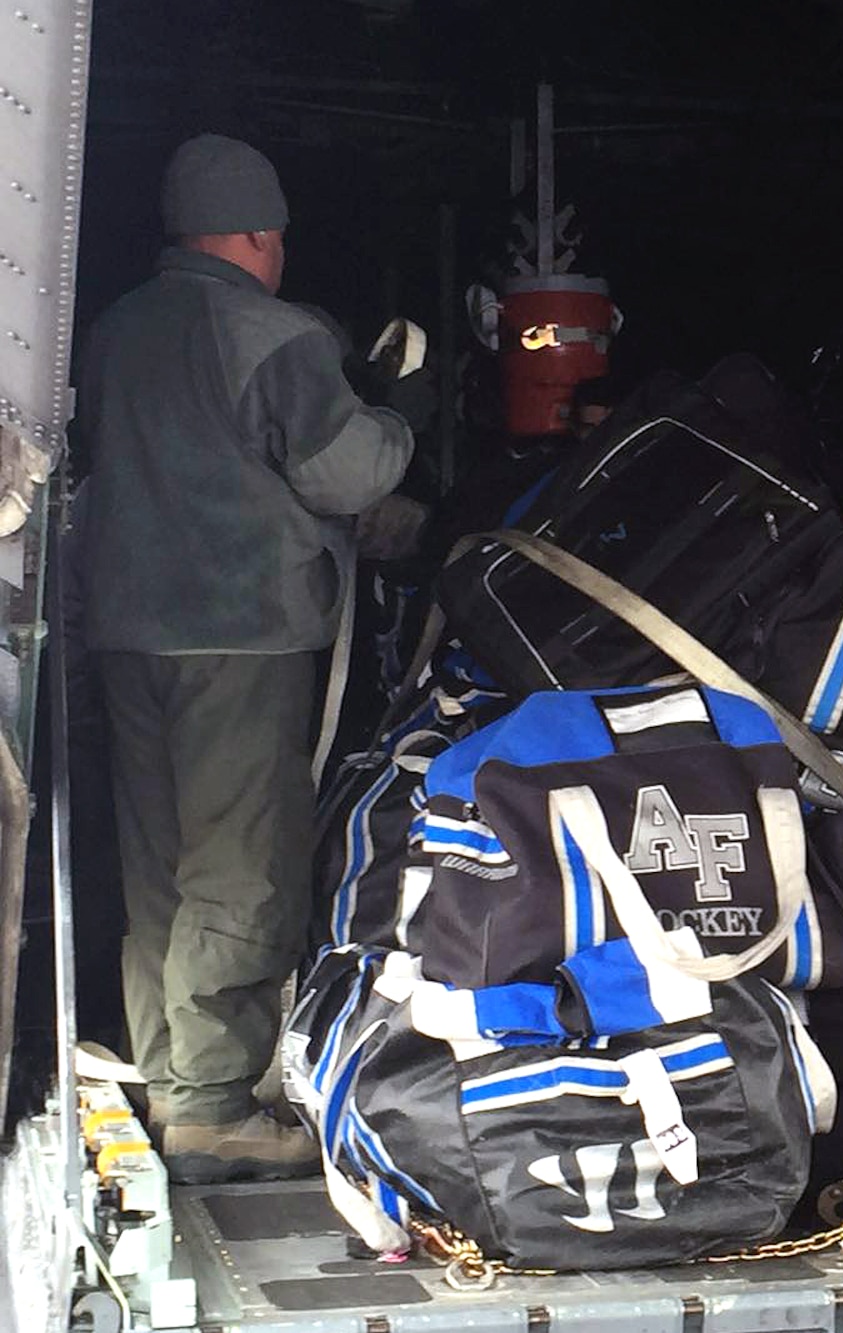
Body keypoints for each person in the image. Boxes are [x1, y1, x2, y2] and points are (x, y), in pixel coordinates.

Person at [76, 135, 416, 1182]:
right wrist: (397, 417)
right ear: (264, 234)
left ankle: (178, 1082)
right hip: (240, 638)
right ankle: (216, 1105)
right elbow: (349, 472)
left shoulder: (112, 331)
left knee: (159, 867)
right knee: (237, 865)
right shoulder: (268, 332)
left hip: (126, 637)